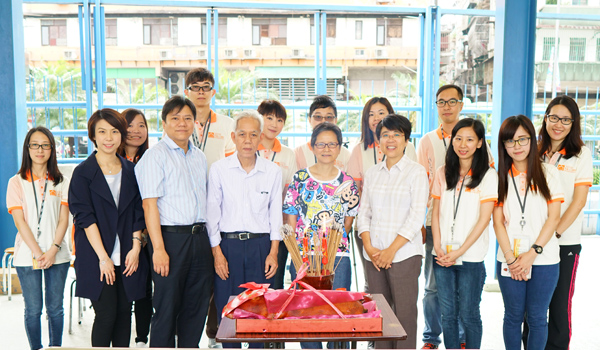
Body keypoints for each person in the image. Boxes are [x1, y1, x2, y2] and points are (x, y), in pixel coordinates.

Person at [135, 96, 212, 348]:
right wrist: (158, 249)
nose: (182, 123)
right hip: (170, 240)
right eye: (175, 118)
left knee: (196, 307)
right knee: (166, 308)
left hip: (200, 239)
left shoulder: (199, 157)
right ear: (164, 122)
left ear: (195, 122)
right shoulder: (154, 156)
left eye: (188, 118)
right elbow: (149, 205)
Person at [69, 109, 148, 347]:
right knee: (106, 315)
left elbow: (137, 212)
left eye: (114, 131)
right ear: (93, 135)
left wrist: (135, 248)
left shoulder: (130, 170)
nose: (109, 137)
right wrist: (103, 258)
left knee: (125, 315)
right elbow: (85, 218)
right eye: (102, 131)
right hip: (96, 256)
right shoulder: (83, 173)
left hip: (127, 255)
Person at [207, 110, 282, 349]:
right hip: (228, 247)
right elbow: (212, 214)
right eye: (242, 134)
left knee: (259, 311)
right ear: (233, 137)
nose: (247, 140)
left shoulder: (272, 171)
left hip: (261, 247)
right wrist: (217, 253)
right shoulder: (219, 170)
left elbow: (275, 214)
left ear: (260, 137)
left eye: (253, 135)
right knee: (228, 311)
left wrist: (273, 252)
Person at [284, 122, 359, 349]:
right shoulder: (299, 179)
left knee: (339, 312)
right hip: (305, 256)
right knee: (307, 314)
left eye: (332, 144)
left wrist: (335, 243)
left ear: (339, 148)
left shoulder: (347, 183)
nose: (326, 149)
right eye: (321, 144)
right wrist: (297, 251)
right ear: (313, 147)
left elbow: (349, 219)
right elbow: (290, 216)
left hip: (338, 257)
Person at [356, 114, 428, 349]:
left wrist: (390, 251)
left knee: (404, 315)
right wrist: (368, 247)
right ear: (378, 141)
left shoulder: (416, 172)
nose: (391, 139)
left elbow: (416, 217)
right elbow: (363, 213)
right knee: (379, 316)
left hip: (404, 255)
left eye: (397, 134)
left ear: (406, 140)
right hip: (374, 255)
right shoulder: (373, 173)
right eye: (385, 134)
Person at [526, 96, 591, 350]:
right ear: (545, 118)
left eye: (565, 120)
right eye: (553, 117)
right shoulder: (534, 150)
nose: (558, 124)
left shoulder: (581, 155)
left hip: (564, 242)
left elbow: (578, 201)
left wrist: (555, 234)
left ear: (573, 123)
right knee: (532, 308)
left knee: (559, 307)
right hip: (533, 241)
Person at [494, 115, 563, 350]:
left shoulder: (549, 173)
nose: (517, 146)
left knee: (537, 318)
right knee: (513, 316)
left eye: (522, 139)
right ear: (504, 145)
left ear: (532, 141)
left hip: (544, 258)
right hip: (510, 258)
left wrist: (532, 253)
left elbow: (554, 218)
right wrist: (512, 259)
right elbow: (498, 223)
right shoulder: (498, 177)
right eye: (510, 141)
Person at [431, 118, 497, 350]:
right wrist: (438, 247)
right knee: (448, 315)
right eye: (458, 138)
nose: (463, 144)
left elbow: (483, 220)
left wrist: (459, 251)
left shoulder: (488, 176)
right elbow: (436, 213)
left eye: (470, 139)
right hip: (442, 255)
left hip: (470, 257)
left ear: (480, 143)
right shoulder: (442, 172)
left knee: (469, 315)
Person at [418, 84, 475, 349]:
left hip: (466, 225)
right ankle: (431, 337)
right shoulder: (428, 140)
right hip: (435, 222)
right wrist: (421, 221)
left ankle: (463, 338)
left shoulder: (474, 135)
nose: (447, 107)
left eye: (452, 102)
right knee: (433, 286)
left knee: (464, 285)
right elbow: (421, 184)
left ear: (461, 105)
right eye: (441, 102)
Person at [6, 127, 71, 350]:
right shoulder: (16, 182)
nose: (40, 149)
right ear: (28, 148)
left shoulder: (62, 180)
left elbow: (64, 219)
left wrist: (52, 250)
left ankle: (55, 348)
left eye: (45, 145)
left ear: (52, 149)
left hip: (58, 253)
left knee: (56, 308)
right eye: (35, 144)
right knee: (33, 309)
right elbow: (19, 221)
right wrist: (37, 252)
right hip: (27, 255)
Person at [347, 97, 417, 295]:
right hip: (369, 227)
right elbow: (356, 192)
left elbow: (415, 192)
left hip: (401, 229)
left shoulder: (407, 148)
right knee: (374, 285)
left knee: (401, 290)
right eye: (371, 114)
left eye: (381, 113)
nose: (376, 118)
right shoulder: (358, 150)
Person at [119, 108, 153, 348]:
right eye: (129, 125)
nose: (135, 131)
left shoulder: (152, 159)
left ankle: (142, 338)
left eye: (141, 125)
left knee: (146, 290)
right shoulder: (110, 162)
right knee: (122, 292)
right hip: (122, 237)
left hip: (151, 237)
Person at [257, 100, 297, 290]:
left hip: (277, 228)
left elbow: (291, 197)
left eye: (280, 120)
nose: (274, 124)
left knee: (275, 282)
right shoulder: (247, 149)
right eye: (269, 118)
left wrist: (290, 233)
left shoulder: (288, 154)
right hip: (251, 228)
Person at [184, 67, 235, 169]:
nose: (201, 91)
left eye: (206, 87)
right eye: (195, 87)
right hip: (184, 184)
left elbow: (231, 163)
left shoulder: (228, 124)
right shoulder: (178, 124)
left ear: (213, 92)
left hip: (217, 184)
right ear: (186, 93)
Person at [294, 95, 351, 171]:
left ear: (336, 120)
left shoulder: (346, 155)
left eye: (329, 117)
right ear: (309, 119)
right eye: (318, 117)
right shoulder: (298, 153)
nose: (323, 121)